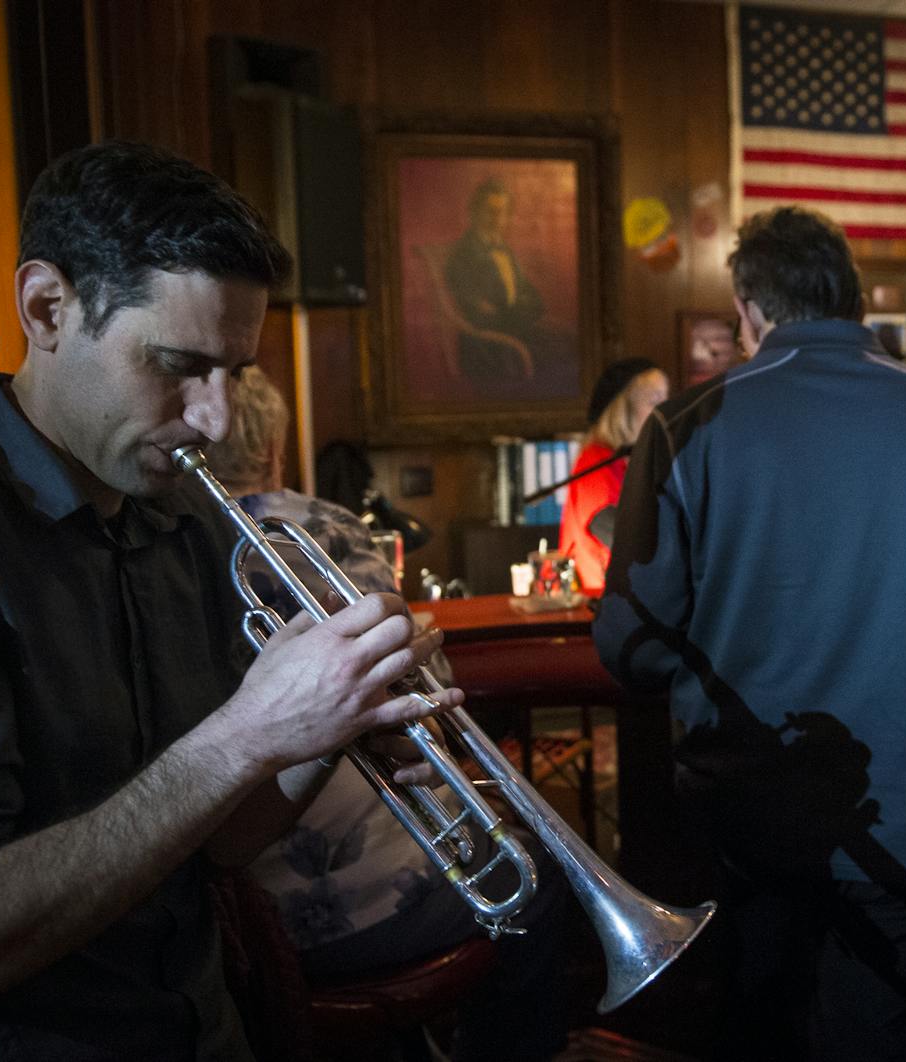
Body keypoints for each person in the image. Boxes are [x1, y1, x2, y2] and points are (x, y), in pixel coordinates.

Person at [0, 142, 461, 1061]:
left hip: (202, 1027)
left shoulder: (183, 518)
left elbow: (216, 843)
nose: (215, 416)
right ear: (49, 309)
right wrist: (251, 731)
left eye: (235, 374)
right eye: (178, 364)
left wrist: (326, 730)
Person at [591, 206, 906, 1061]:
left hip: (750, 807)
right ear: (853, 300)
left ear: (751, 309)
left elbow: (630, 647)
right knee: (885, 1034)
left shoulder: (685, 425)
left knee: (757, 1021)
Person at [210, 367, 568, 1062]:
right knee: (538, 880)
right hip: (347, 908)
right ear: (272, 448)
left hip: (239, 913)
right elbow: (418, 700)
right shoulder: (322, 527)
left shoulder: (170, 544)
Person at [558, 358, 670, 594]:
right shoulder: (596, 462)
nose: (665, 411)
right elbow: (624, 538)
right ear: (623, 410)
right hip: (605, 605)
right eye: (654, 401)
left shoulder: (636, 462)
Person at [444, 178, 550, 383]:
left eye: (503, 212)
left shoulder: (505, 250)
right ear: (474, 212)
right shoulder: (463, 253)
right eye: (491, 211)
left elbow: (533, 297)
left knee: (564, 346)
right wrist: (521, 309)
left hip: (516, 330)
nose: (498, 219)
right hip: (486, 346)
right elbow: (476, 311)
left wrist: (525, 307)